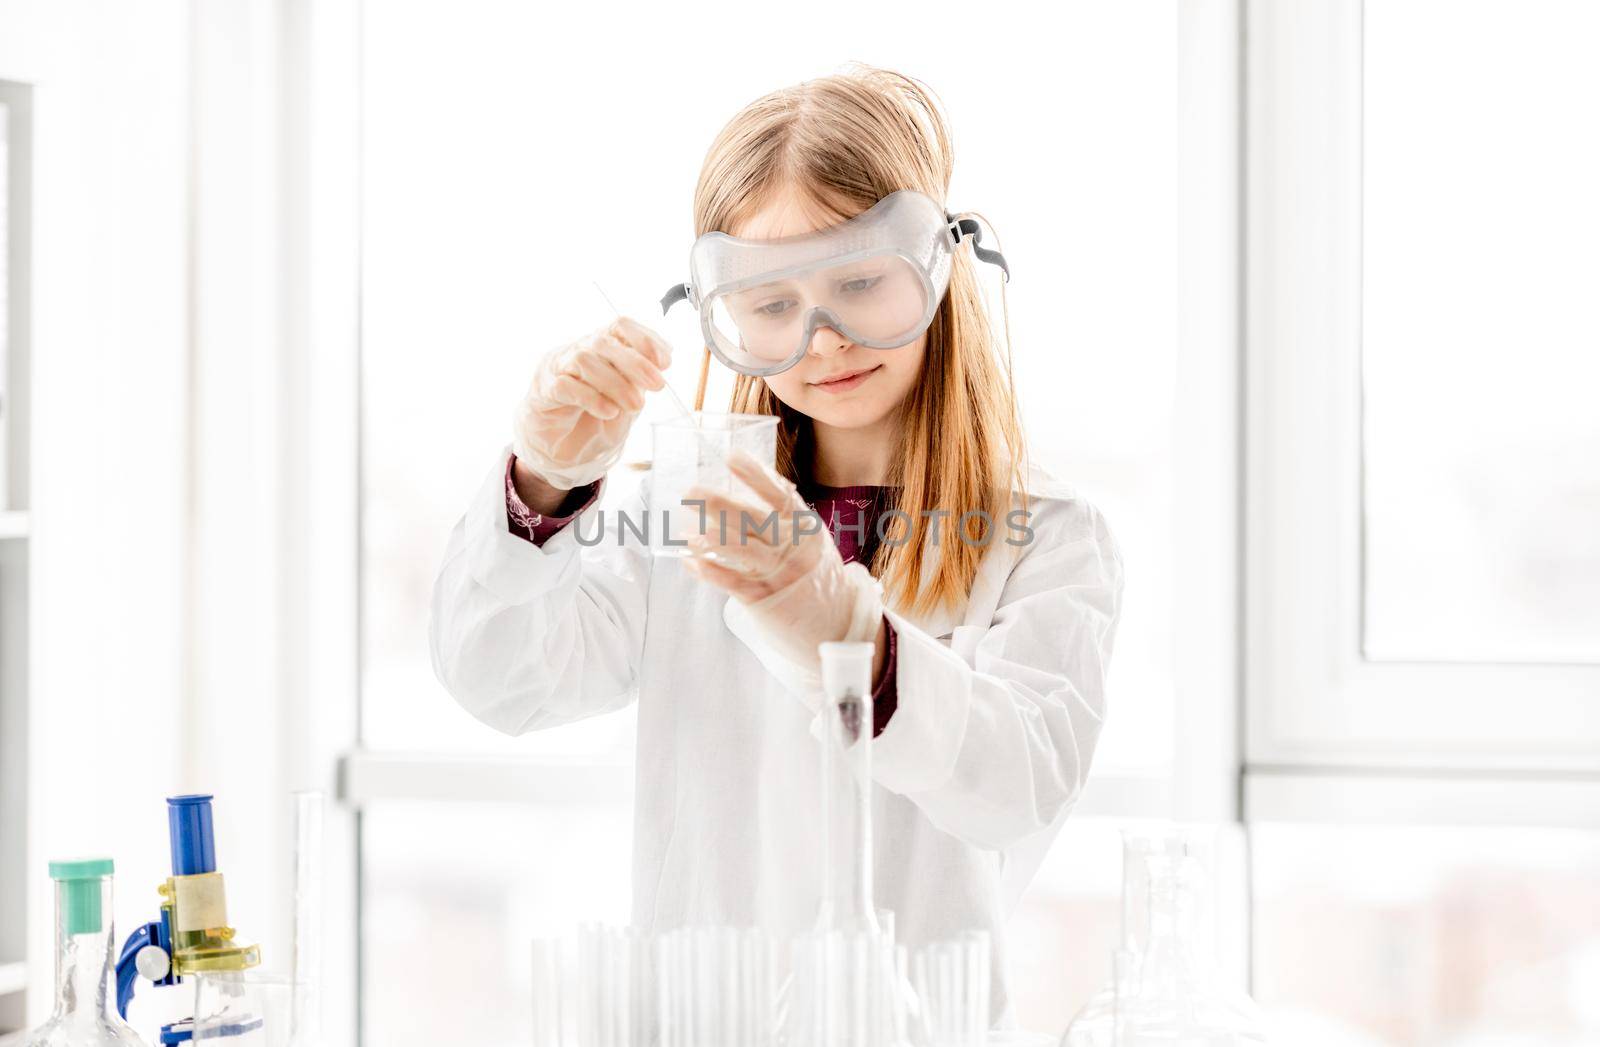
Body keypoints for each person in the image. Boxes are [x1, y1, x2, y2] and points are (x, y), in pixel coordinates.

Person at [428, 64, 1124, 1023]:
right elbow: (507, 677)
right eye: (770, 303)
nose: (823, 337)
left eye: (861, 281)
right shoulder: (693, 515)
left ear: (938, 265)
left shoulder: (1045, 535)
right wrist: (544, 483)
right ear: (722, 312)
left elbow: (1017, 785)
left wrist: (845, 631)